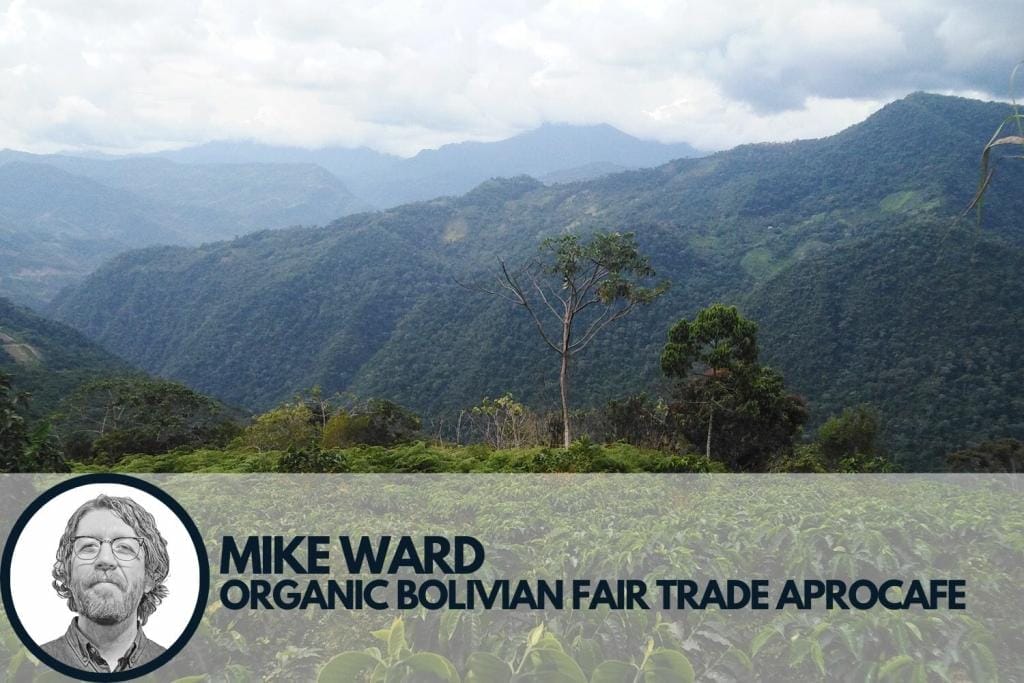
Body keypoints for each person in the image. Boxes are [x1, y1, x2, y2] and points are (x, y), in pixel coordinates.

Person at [41, 494, 170, 673]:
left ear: (150, 577)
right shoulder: (25, 669)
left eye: (125, 547)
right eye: (88, 546)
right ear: (67, 573)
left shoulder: (180, 671)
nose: (105, 559)